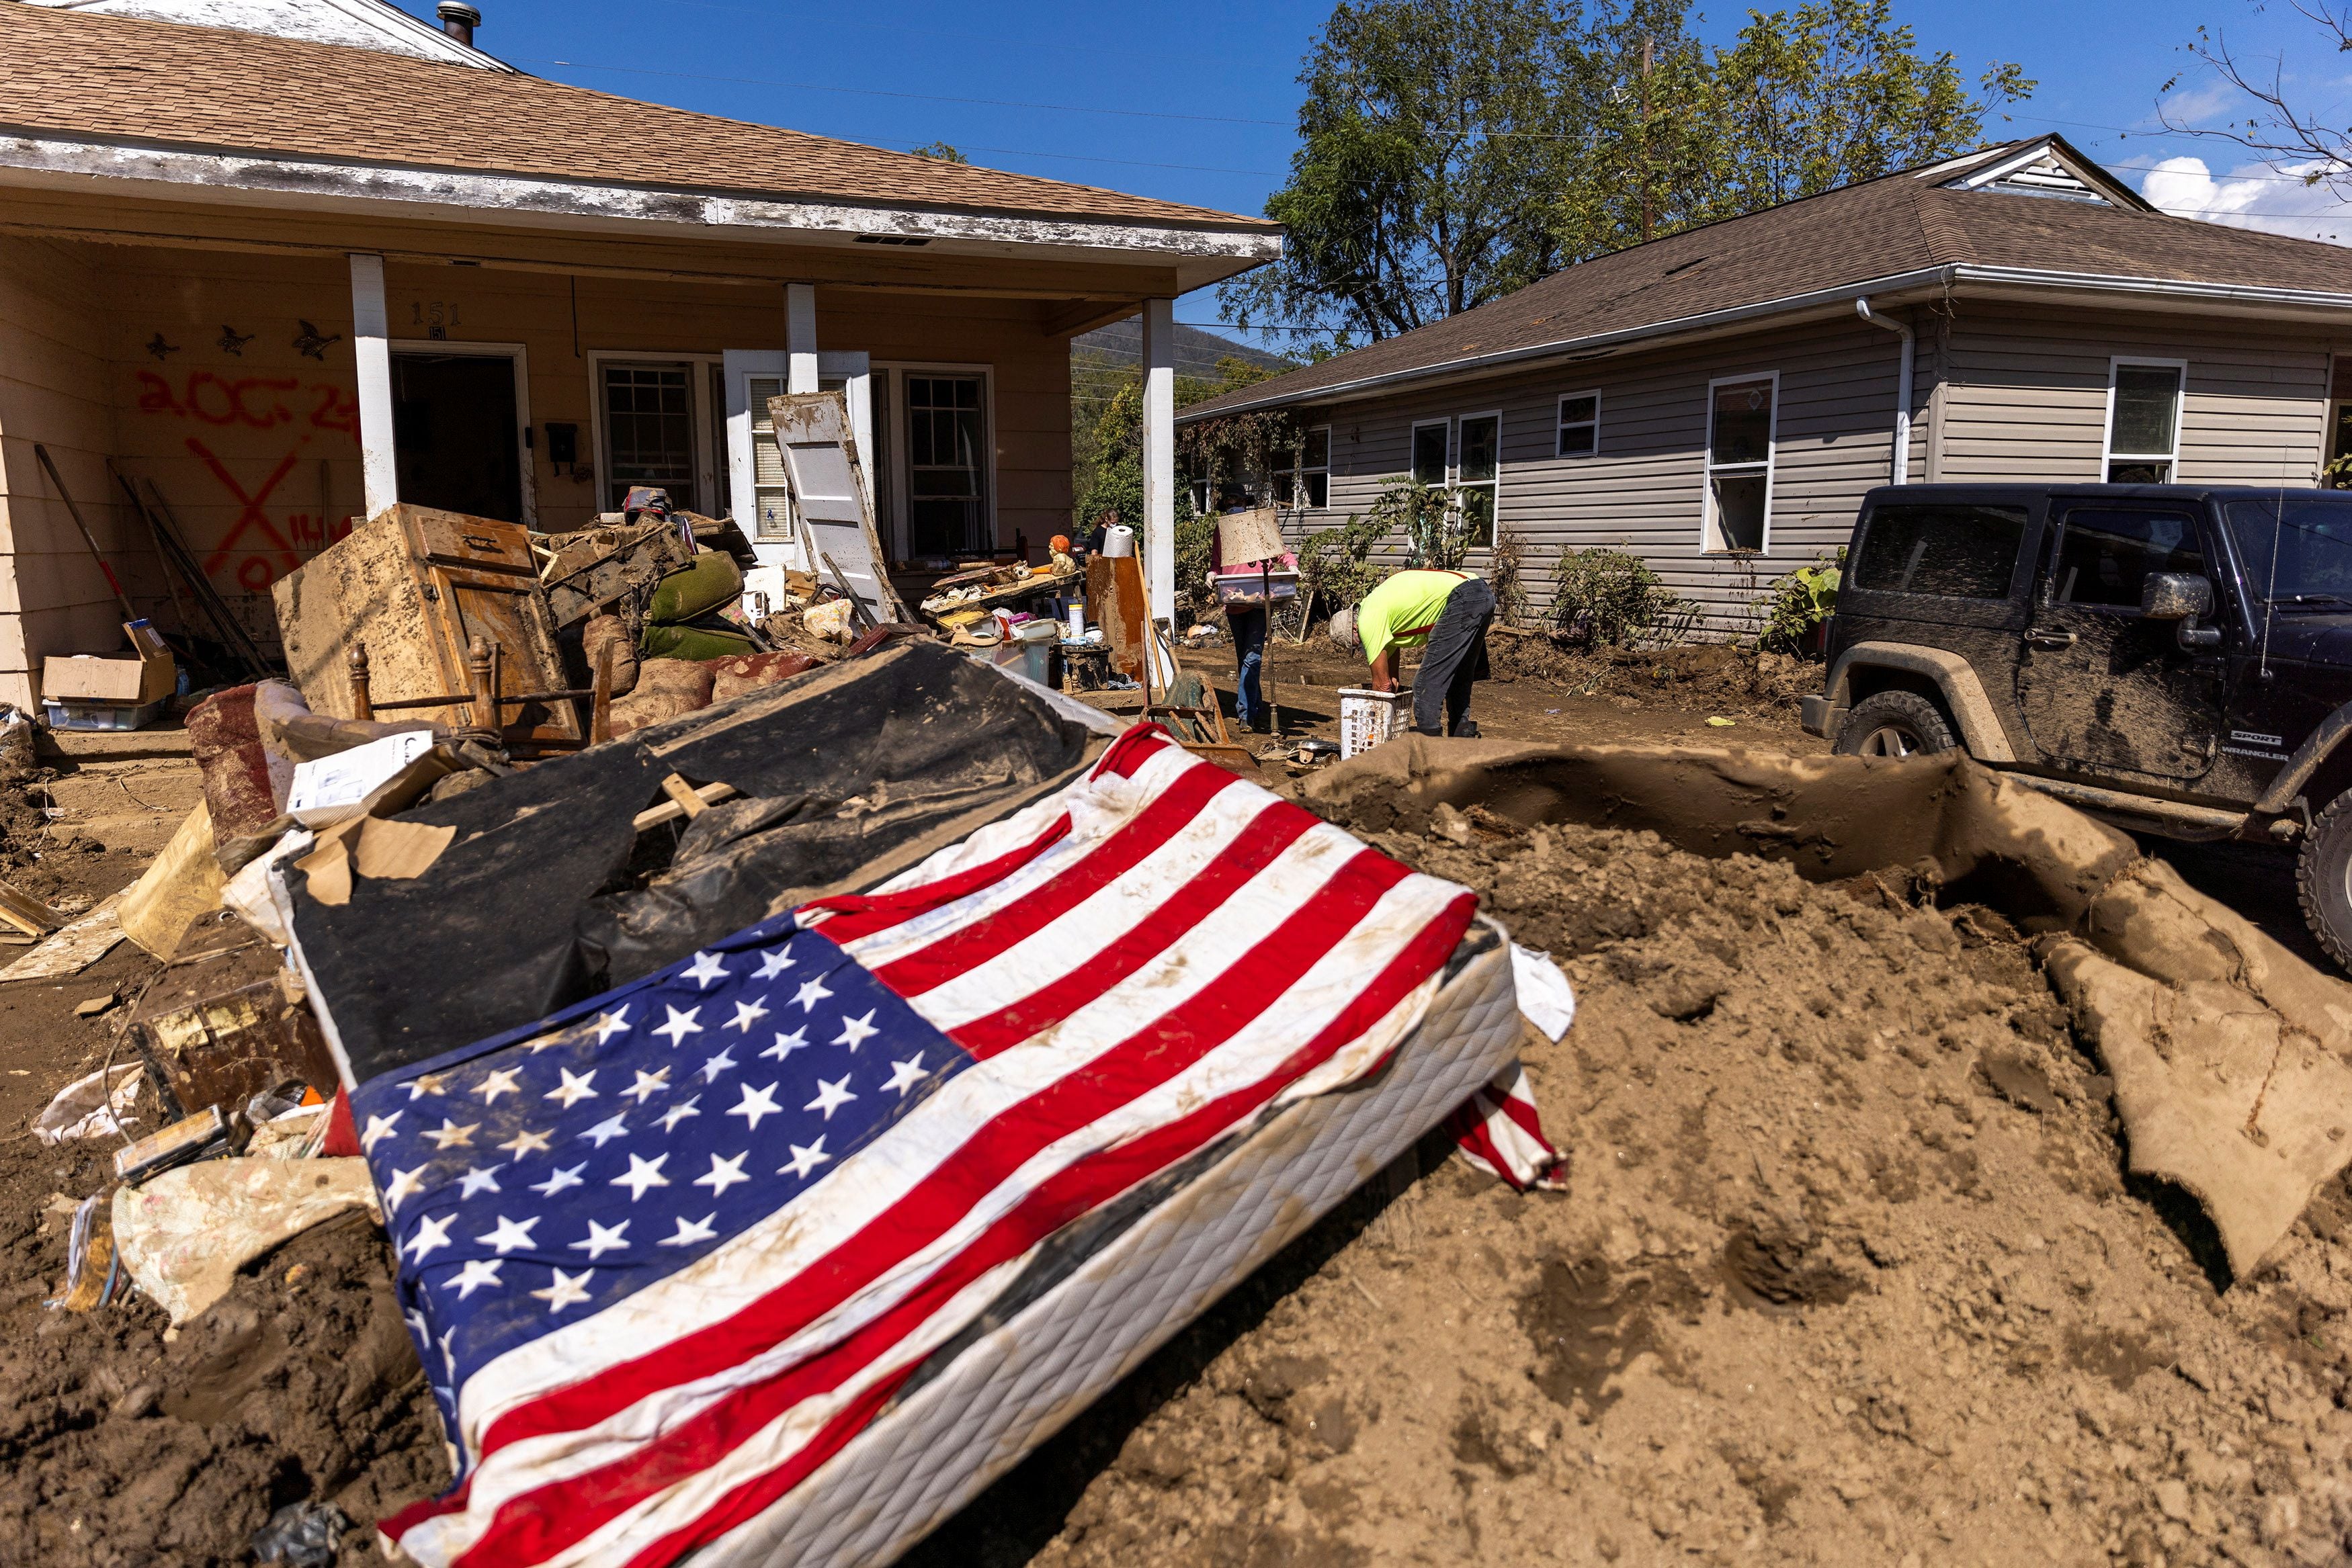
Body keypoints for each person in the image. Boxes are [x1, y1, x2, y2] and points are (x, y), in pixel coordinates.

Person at [1335, 568, 1494, 738]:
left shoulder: (1367, 621)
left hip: (1461, 599)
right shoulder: (1378, 609)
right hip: (1481, 592)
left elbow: (1382, 686)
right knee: (1458, 678)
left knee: (1425, 684)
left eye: (1357, 646)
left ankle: (1428, 749)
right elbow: (1393, 682)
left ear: (1354, 628)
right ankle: (1461, 745)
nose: (1362, 650)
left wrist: (1374, 731)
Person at [1208, 513, 1297, 734]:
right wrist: (1212, 574)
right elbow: (1217, 562)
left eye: (1237, 501)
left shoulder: (1259, 526)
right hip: (1234, 600)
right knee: (1244, 659)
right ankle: (1255, 706)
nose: (1234, 506)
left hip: (1259, 600)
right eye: (1229, 502)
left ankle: (1246, 714)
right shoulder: (1223, 530)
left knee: (1253, 657)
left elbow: (1281, 552)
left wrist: (1292, 566)